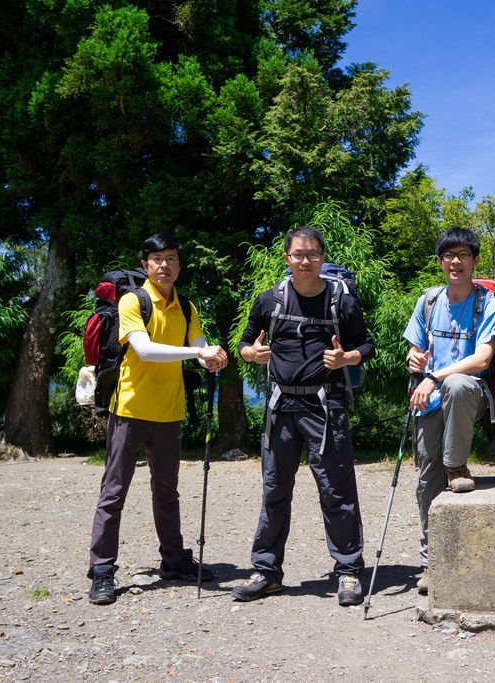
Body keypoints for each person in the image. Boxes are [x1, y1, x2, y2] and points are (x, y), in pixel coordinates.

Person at [232, 226, 374, 606]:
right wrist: (251, 354)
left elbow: (366, 344)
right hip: (281, 407)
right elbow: (245, 342)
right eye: (298, 254)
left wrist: (347, 358)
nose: (306, 260)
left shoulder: (340, 301)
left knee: (336, 489)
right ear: (287, 258)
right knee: (275, 488)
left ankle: (347, 571)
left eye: (312, 254)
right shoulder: (269, 301)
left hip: (326, 406)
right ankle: (266, 571)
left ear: (323, 257)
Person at [87, 234, 229, 605]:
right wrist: (195, 353)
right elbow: (145, 350)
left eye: (171, 258)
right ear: (145, 264)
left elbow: (197, 346)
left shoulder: (187, 305)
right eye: (156, 259)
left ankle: (174, 560)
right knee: (113, 493)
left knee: (167, 491)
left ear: (179, 264)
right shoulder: (132, 301)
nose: (164, 265)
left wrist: (210, 356)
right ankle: (102, 571)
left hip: (170, 412)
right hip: (130, 409)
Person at [403, 227, 495, 594]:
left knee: (456, 385)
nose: (455, 262)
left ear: (474, 261)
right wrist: (416, 361)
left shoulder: (485, 303)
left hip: (468, 393)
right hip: (428, 399)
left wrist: (434, 375)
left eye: (463, 255)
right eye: (448, 256)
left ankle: (457, 463)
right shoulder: (428, 301)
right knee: (428, 480)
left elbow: (482, 358)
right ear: (440, 262)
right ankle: (431, 563)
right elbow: (414, 350)